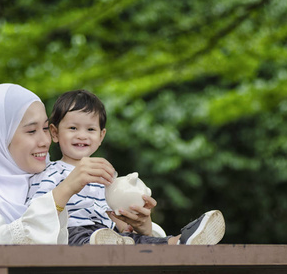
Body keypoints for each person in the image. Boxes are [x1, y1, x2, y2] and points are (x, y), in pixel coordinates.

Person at [27, 89, 225, 245]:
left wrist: (130, 222)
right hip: (71, 234)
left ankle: (181, 242)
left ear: (101, 136)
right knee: (86, 238)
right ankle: (107, 244)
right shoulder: (48, 172)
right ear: (54, 133)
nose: (82, 135)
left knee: (136, 241)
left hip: (108, 234)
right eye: (72, 128)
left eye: (90, 129)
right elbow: (37, 212)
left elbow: (113, 216)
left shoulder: (106, 176)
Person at [0, 84, 115, 247]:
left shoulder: (47, 174)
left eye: (44, 128)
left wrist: (136, 224)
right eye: (32, 131)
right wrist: (62, 192)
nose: (45, 140)